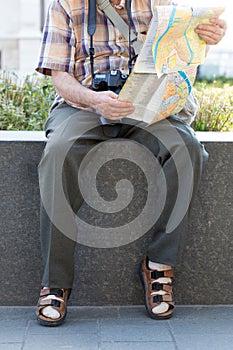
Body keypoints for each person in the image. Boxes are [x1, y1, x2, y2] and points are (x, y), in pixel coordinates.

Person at [35, 0, 227, 326]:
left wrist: (209, 35)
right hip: (83, 104)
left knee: (187, 148)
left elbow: (184, 50)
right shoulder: (66, 4)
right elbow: (60, 77)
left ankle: (159, 266)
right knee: (58, 152)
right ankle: (54, 281)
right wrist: (94, 100)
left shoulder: (162, 3)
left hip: (147, 104)